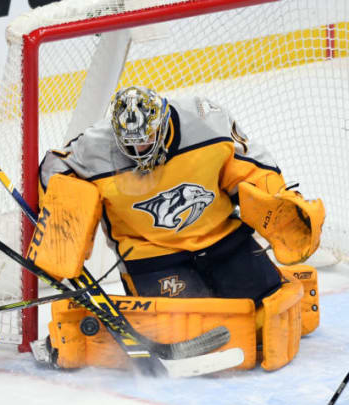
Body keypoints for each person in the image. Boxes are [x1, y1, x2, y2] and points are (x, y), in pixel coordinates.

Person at [33, 86, 324, 369]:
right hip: (151, 256)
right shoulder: (94, 146)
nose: (138, 151)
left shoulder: (205, 122)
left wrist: (279, 199)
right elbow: (52, 168)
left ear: (161, 125)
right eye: (130, 144)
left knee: (262, 308)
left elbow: (252, 167)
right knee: (188, 328)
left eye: (145, 141)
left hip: (221, 236)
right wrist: (62, 217)